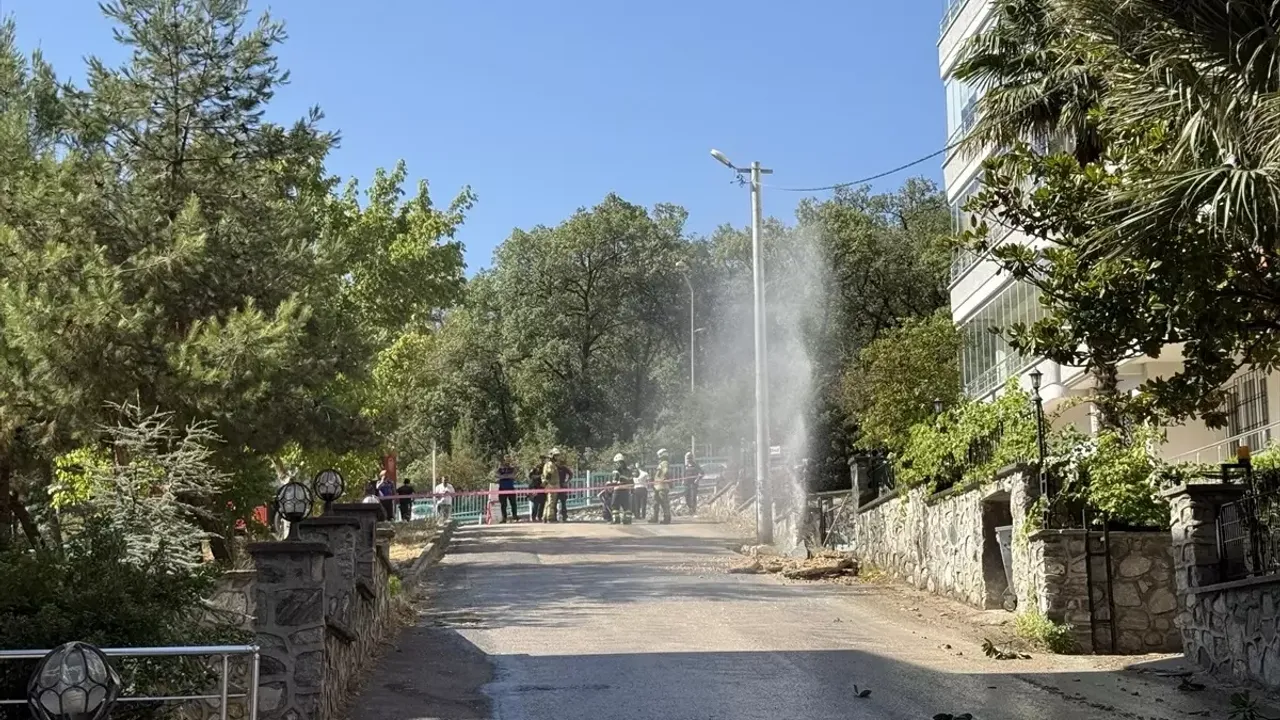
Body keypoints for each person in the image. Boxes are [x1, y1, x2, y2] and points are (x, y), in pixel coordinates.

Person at [542, 448, 571, 522]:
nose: (557, 457)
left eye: (558, 455)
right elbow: (548, 474)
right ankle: (550, 518)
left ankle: (545, 517)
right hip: (552, 486)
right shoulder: (551, 464)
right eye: (556, 455)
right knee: (551, 503)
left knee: (548, 502)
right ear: (552, 456)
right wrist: (547, 483)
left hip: (553, 485)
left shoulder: (551, 464)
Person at [609, 452, 633, 525]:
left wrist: (609, 484)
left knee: (615, 506)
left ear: (618, 462)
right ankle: (627, 520)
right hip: (626, 491)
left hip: (618, 491)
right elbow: (632, 482)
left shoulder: (616, 471)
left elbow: (614, 482)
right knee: (627, 507)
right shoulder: (628, 471)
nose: (615, 464)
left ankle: (616, 520)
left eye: (616, 463)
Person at [650, 448, 672, 524]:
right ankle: (655, 517)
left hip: (662, 486)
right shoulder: (661, 463)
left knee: (664, 503)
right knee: (655, 503)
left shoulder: (665, 463)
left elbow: (666, 471)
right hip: (657, 486)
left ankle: (667, 518)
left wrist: (664, 478)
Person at [497, 457, 519, 522]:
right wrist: (508, 476)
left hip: (510, 488)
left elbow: (513, 475)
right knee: (503, 504)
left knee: (513, 503)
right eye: (505, 461)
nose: (506, 462)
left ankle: (515, 516)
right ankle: (504, 518)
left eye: (508, 461)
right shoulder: (500, 469)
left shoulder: (512, 469)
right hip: (502, 489)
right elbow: (497, 475)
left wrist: (503, 476)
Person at [684, 451, 704, 516]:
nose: (688, 460)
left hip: (693, 484)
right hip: (687, 484)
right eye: (687, 458)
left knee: (693, 497)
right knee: (687, 497)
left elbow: (701, 473)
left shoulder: (696, 465)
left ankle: (693, 510)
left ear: (692, 458)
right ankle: (690, 508)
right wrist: (683, 480)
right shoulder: (686, 466)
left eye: (689, 458)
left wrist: (697, 479)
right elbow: (684, 474)